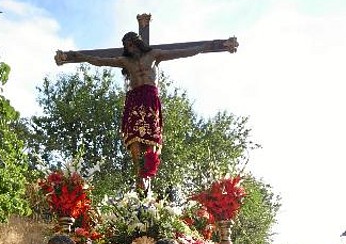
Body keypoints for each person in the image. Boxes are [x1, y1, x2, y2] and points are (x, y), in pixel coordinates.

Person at [55, 32, 237, 193]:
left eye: (132, 43)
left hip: (150, 97)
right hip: (134, 97)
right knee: (134, 137)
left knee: (150, 138)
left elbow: (183, 52)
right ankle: (138, 175)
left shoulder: (154, 55)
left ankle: (147, 174)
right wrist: (76, 56)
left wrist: (209, 46)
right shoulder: (124, 61)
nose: (130, 47)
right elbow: (99, 61)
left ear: (138, 42)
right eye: (127, 45)